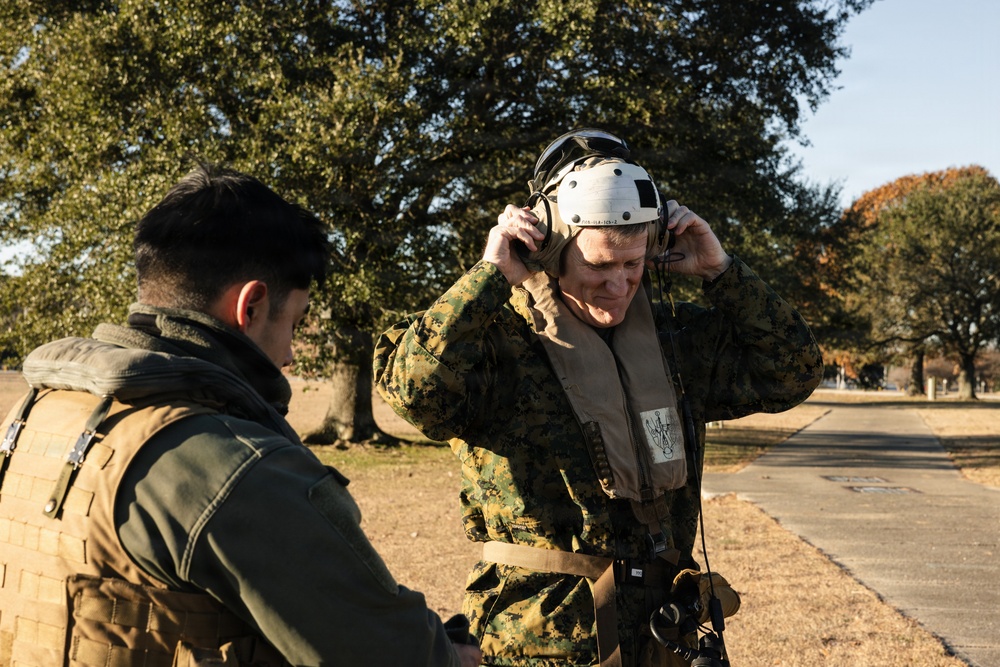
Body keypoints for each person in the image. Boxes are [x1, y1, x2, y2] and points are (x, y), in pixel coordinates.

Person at [0, 163, 481, 667]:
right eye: (293, 321)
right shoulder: (227, 463)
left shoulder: (37, 413)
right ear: (249, 306)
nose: (291, 355)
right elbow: (393, 654)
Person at [374, 129, 823, 666]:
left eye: (633, 264)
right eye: (599, 265)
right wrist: (490, 275)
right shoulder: (495, 344)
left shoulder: (675, 341)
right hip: (544, 641)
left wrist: (721, 272)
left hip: (662, 636)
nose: (619, 283)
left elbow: (792, 373)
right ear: (553, 250)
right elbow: (412, 391)